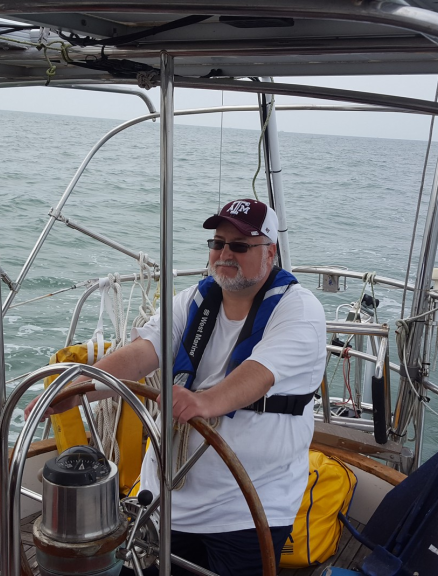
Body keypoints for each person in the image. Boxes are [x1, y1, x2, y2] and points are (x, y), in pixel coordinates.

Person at [34, 198, 326, 575]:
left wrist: (205, 402)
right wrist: (79, 386)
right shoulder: (195, 301)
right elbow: (143, 352)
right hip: (167, 498)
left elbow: (259, 373)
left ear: (270, 253)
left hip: (246, 510)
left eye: (239, 246)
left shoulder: (298, 310)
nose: (224, 254)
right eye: (218, 243)